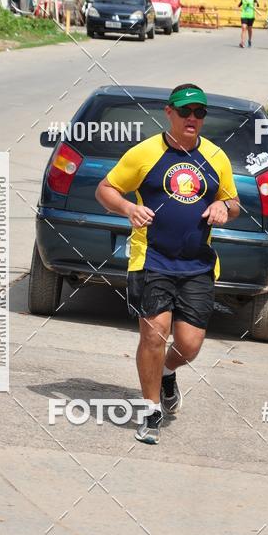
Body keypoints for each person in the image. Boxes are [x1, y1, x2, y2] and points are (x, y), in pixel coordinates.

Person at [95, 84, 240, 445]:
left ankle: (167, 372)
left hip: (197, 265)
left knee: (189, 345)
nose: (193, 118)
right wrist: (129, 208)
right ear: (169, 113)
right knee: (154, 333)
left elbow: (233, 203)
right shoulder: (145, 153)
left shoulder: (215, 157)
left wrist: (225, 208)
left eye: (200, 113)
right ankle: (150, 409)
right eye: (185, 111)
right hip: (152, 260)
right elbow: (105, 189)